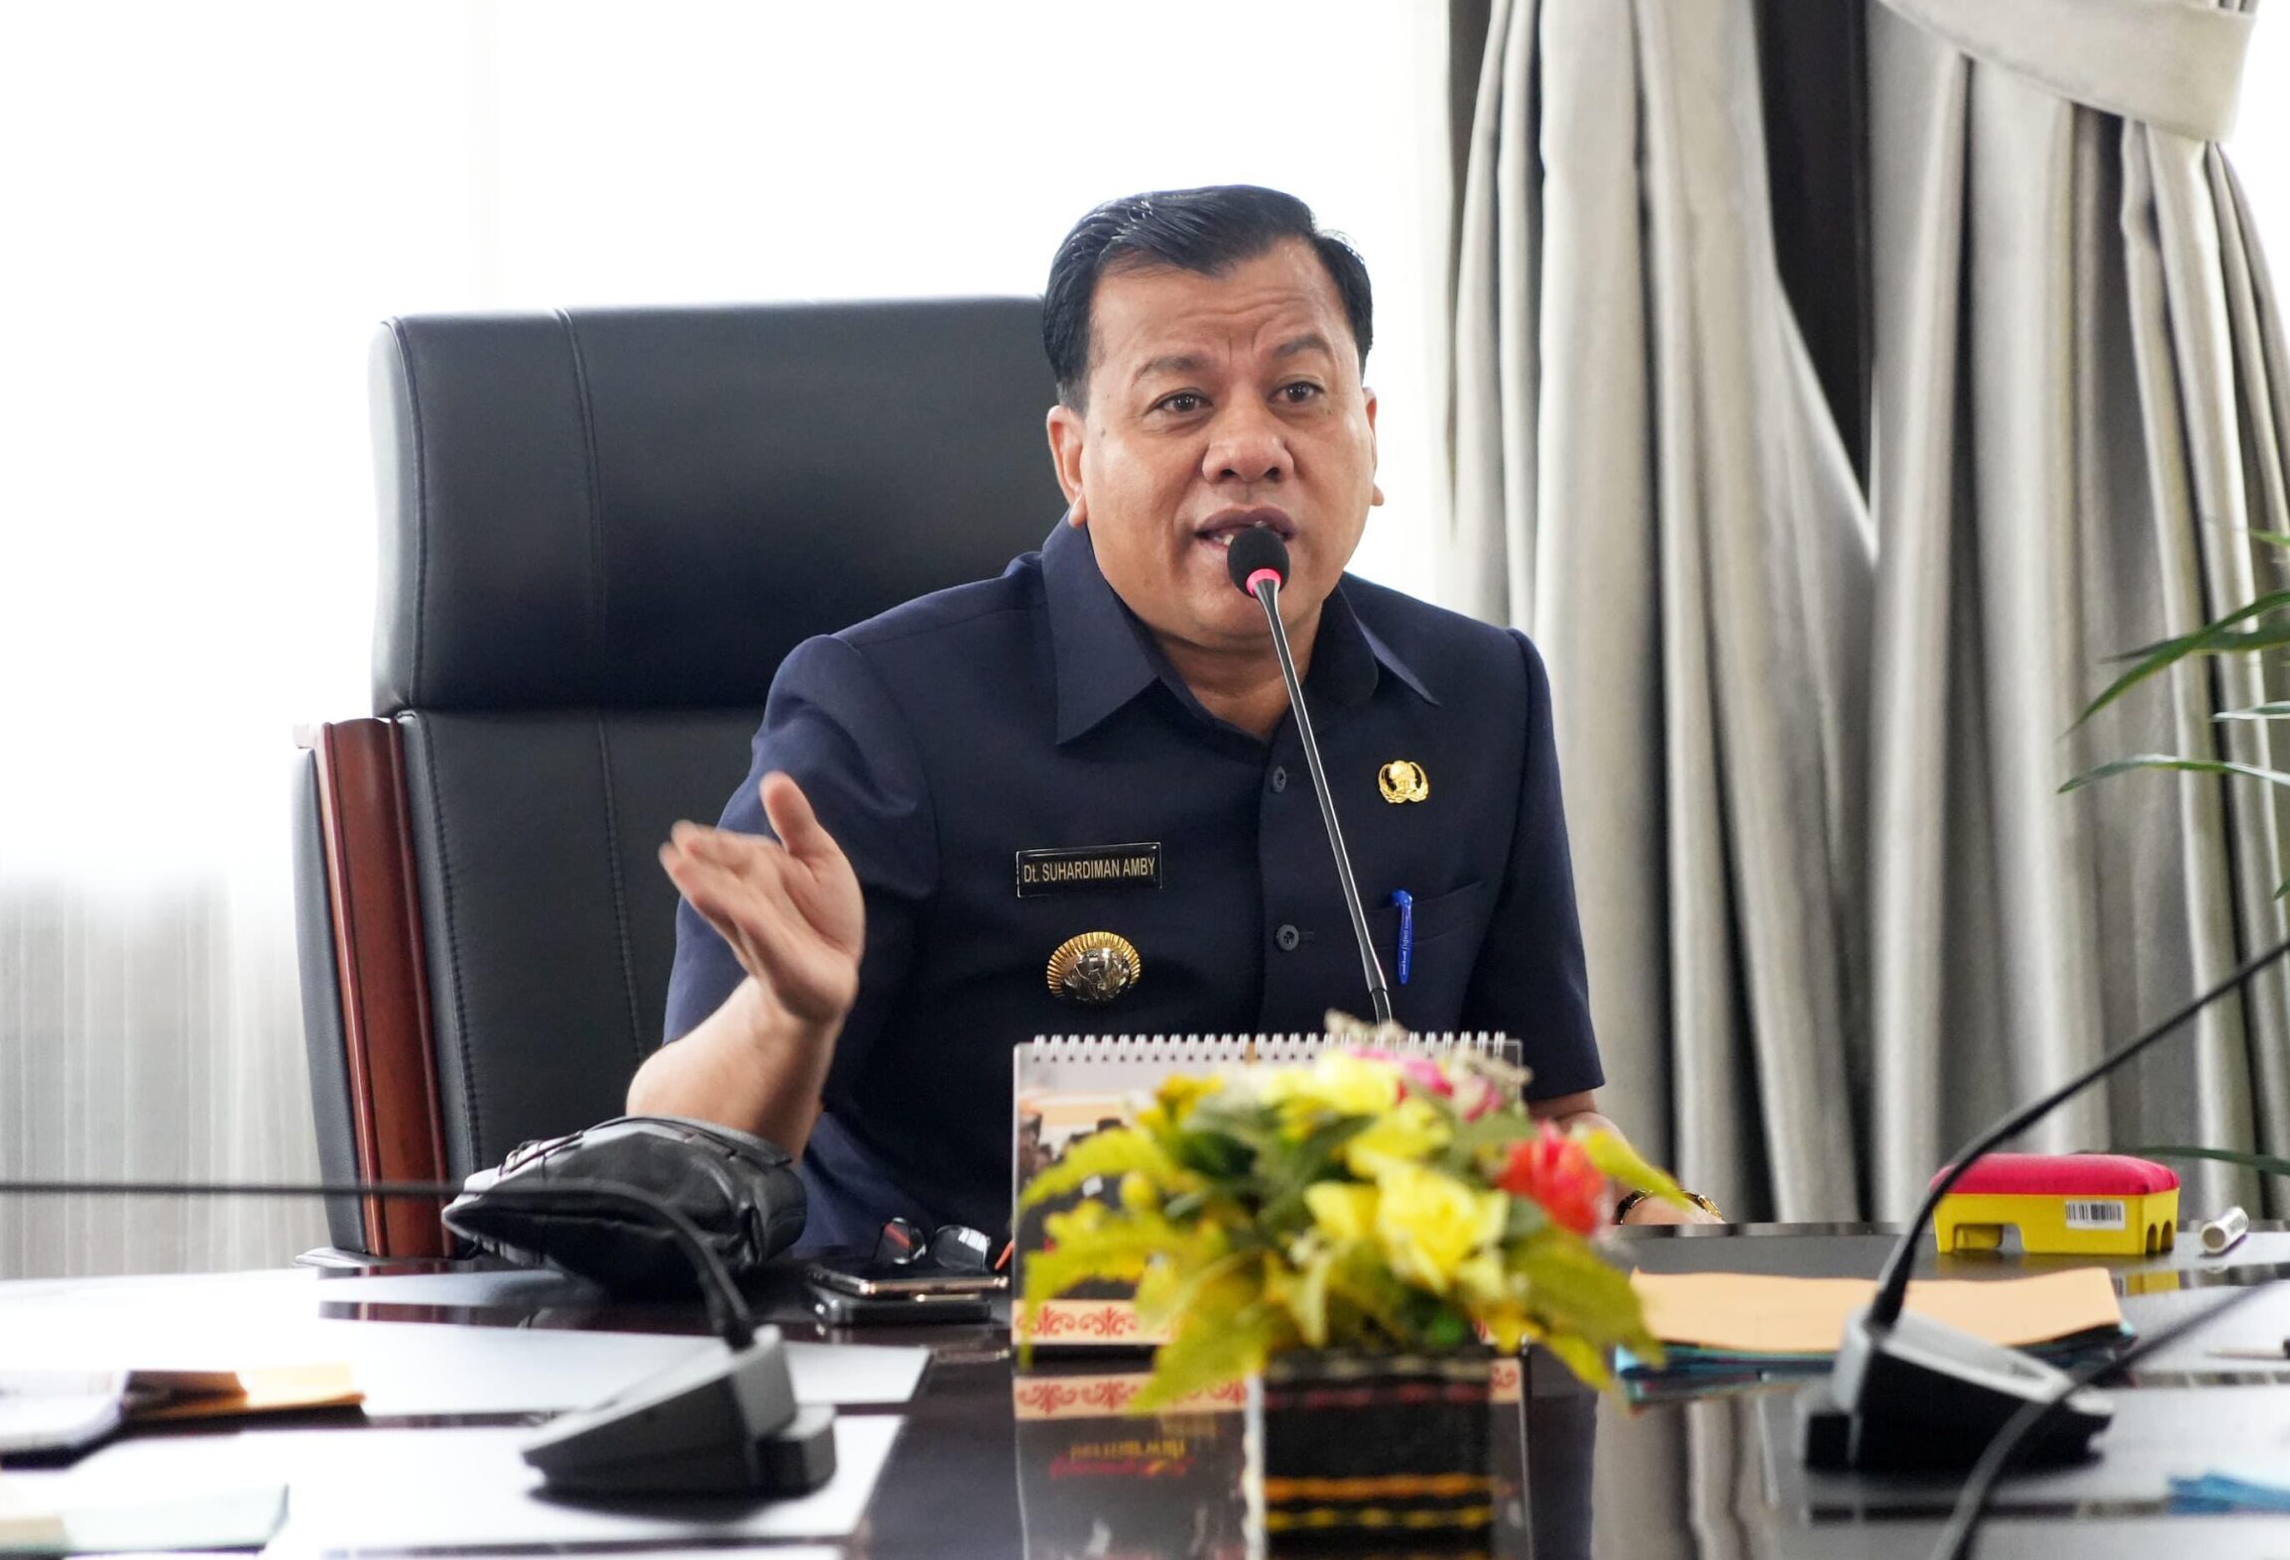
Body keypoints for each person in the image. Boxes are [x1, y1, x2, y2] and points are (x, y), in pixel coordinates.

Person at [629, 184, 1702, 1249]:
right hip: (966, 1347)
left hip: (1363, 1339)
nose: (1250, 446)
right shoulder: (887, 709)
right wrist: (789, 1018)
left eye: (1299, 391)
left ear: (1368, 437)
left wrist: (1655, 1218)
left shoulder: (1479, 693)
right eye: (1182, 403)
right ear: (1073, 461)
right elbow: (672, 1163)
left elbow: (1547, 1115)